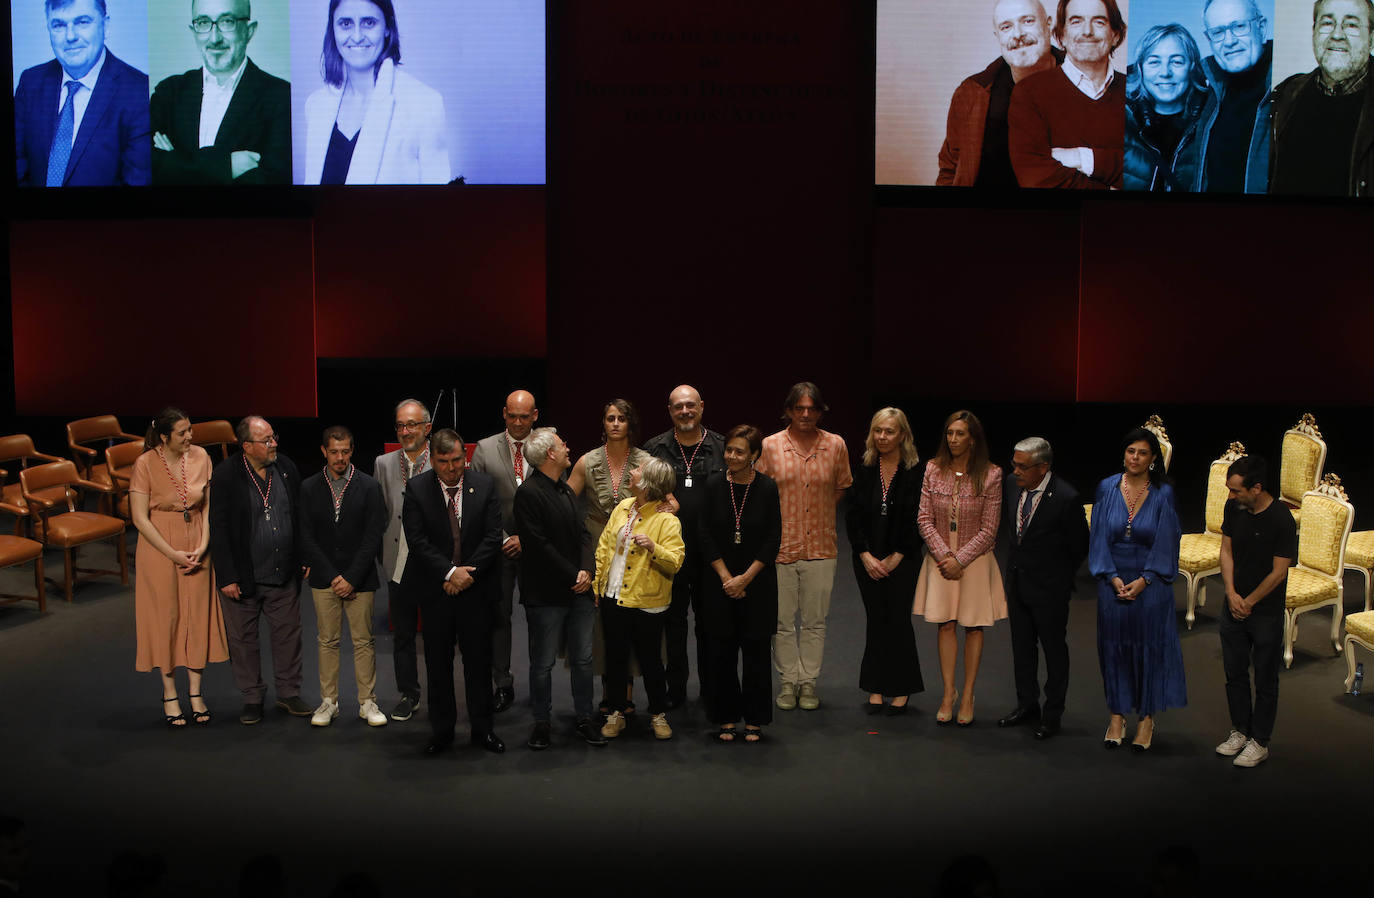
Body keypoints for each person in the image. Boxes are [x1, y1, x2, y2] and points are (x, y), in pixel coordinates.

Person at [401, 428, 506, 756]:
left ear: (466, 456)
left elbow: (493, 537)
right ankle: (442, 731)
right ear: (432, 460)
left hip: (476, 591)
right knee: (438, 665)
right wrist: (449, 573)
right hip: (437, 592)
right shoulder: (417, 489)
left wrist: (465, 574)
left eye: (457, 459)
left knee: (478, 663)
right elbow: (417, 541)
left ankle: (483, 729)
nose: (451, 467)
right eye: (443, 461)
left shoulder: (485, 485)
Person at [756, 382, 853, 712]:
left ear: (821, 411)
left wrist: (819, 510)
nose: (806, 414)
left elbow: (841, 487)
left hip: (821, 546)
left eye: (813, 408)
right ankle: (788, 681)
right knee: (781, 621)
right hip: (780, 547)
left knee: (815, 620)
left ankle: (808, 681)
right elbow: (759, 492)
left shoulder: (836, 445)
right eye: (800, 408)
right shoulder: (770, 446)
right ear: (788, 411)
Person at [1088, 427, 1186, 752]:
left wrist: (1145, 580)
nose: (1135, 458)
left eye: (1142, 453)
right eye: (1131, 451)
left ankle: (1146, 719)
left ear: (1153, 459)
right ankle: (1117, 716)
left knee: (1149, 650)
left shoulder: (1164, 493)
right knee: (1113, 649)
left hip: (1150, 583)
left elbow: (1167, 543)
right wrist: (1112, 576)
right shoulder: (1106, 487)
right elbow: (1098, 536)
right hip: (1112, 580)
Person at [209, 416, 311, 725]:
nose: (274, 444)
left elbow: (300, 516)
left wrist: (303, 556)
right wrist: (227, 576)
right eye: (266, 440)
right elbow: (219, 527)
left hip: (282, 573)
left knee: (288, 637)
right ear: (247, 446)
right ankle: (252, 697)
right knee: (243, 641)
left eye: (273, 437)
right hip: (244, 577)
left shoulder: (286, 468)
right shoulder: (227, 475)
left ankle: (288, 692)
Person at [129, 408, 228, 727]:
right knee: (167, 617)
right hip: (160, 544)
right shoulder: (145, 463)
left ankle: (196, 693)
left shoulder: (201, 456)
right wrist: (172, 553)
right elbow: (139, 518)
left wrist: (203, 545)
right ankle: (170, 693)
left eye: (190, 430)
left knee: (197, 616)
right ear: (164, 436)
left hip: (197, 538)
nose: (190, 436)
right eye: (183, 432)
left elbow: (210, 505)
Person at [914, 410, 1006, 727]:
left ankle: (968, 694)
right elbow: (924, 519)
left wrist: (960, 559)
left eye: (960, 434)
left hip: (976, 561)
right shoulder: (932, 470)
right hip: (941, 561)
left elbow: (990, 529)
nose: (953, 439)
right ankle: (948, 693)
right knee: (945, 624)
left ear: (973, 438)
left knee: (973, 625)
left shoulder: (991, 475)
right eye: (950, 433)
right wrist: (944, 556)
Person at [513, 427, 603, 749]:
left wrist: (587, 570)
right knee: (543, 663)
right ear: (550, 454)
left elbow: (582, 536)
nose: (568, 448)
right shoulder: (528, 493)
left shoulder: (565, 490)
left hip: (577, 590)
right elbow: (537, 546)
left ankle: (584, 718)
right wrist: (574, 574)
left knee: (583, 659)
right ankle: (541, 722)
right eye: (562, 445)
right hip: (546, 595)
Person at [994, 437, 1088, 740]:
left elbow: (1079, 546)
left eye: (1023, 466)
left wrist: (1057, 579)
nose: (1016, 471)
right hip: (1018, 583)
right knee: (1022, 649)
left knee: (1053, 651)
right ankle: (1026, 705)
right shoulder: (1011, 485)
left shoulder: (1065, 497)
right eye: (1014, 464)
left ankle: (1052, 714)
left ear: (1043, 467)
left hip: (1049, 590)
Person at [566, 399, 651, 718]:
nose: (615, 423)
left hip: (634, 546)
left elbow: (670, 501)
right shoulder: (587, 462)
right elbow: (562, 500)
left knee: (628, 616)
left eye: (621, 419)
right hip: (595, 545)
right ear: (603, 423)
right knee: (600, 623)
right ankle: (608, 693)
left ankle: (626, 694)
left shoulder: (645, 460)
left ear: (631, 424)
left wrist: (661, 517)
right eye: (610, 418)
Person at [303, 0, 450, 185]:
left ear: (388, 27)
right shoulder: (316, 105)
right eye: (346, 24)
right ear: (332, 29)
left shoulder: (425, 105)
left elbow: (440, 205)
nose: (357, 36)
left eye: (369, 23)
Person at [643, 384, 726, 709]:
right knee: (673, 624)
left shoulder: (721, 446)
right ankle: (675, 691)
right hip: (669, 552)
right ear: (670, 410)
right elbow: (643, 494)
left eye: (690, 405)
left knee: (710, 624)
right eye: (678, 407)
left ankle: (711, 689)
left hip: (712, 553)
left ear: (702, 407)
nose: (685, 412)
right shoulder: (655, 449)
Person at [299, 426, 387, 728]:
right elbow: (306, 537)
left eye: (345, 451)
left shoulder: (369, 486)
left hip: (360, 579)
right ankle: (329, 702)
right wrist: (333, 575)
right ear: (324, 451)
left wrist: (350, 577)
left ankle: (367, 702)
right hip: (325, 578)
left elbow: (374, 535)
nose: (340, 457)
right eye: (334, 452)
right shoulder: (310, 487)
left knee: (364, 641)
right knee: (327, 641)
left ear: (352, 451)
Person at [149, 0, 291, 185]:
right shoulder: (169, 93)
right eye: (203, 23)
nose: (214, 38)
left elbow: (271, 185)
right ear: (193, 31)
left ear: (249, 31)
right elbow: (151, 167)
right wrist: (225, 166)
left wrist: (176, 164)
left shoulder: (281, 97)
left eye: (227, 21)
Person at [699, 425, 781, 742]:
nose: (731, 456)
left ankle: (756, 719)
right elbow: (704, 535)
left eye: (739, 452)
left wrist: (745, 578)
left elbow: (773, 539)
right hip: (719, 584)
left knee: (756, 653)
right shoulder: (714, 485)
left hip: (757, 584)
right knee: (721, 652)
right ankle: (726, 717)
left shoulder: (768, 488)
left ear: (755, 456)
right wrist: (726, 578)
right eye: (729, 450)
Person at [595, 458, 685, 741]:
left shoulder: (667, 520)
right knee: (616, 659)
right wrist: (599, 584)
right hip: (614, 596)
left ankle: (658, 714)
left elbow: (675, 561)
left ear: (647, 482)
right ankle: (617, 712)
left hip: (647, 602)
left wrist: (654, 547)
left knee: (651, 661)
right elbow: (605, 545)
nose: (632, 471)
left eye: (637, 470)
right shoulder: (623, 507)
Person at [14, 0, 150, 187]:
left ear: (106, 25)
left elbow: (136, 182)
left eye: (82, 22)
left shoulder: (139, 91)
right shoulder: (30, 82)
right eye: (59, 25)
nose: (70, 36)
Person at [1215, 454, 1296, 768]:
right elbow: (1226, 550)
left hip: (1264, 612)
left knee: (1264, 678)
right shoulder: (1233, 509)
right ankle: (1240, 731)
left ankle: (1260, 741)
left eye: (1236, 491)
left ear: (1257, 488)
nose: (1231, 496)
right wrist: (1232, 593)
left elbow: (1279, 572)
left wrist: (1249, 602)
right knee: (1234, 673)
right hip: (1233, 603)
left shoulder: (1281, 520)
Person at [846, 408, 923, 715]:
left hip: (903, 559)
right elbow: (852, 516)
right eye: (878, 430)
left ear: (902, 435)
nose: (882, 437)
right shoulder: (865, 467)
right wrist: (864, 554)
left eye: (889, 431)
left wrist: (896, 557)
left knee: (899, 621)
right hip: (866, 558)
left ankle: (902, 687)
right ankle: (876, 686)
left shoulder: (916, 470)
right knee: (876, 620)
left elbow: (917, 518)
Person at [937, 0, 1061, 187]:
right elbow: (950, 167)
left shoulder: (1087, 84)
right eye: (1006, 27)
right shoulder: (971, 93)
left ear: (1048, 24)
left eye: (1027, 21)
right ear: (997, 36)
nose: (1018, 34)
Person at [470, 389, 539, 714]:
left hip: (538, 546)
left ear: (535, 416)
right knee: (499, 617)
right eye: (512, 416)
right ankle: (503, 684)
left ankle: (541, 683)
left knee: (541, 616)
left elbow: (559, 497)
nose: (518, 422)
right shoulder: (484, 448)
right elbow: (476, 502)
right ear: (504, 413)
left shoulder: (549, 445)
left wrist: (526, 538)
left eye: (524, 417)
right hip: (496, 548)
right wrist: (502, 538)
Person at [1008, 0, 1127, 189]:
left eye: (1099, 22)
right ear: (1061, 36)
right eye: (1076, 21)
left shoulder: (1136, 92)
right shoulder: (1028, 93)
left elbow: (1149, 173)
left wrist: (1082, 158)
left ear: (1115, 35)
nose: (1087, 31)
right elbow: (1036, 178)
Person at [1271, 0, 1374, 196]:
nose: (1337, 35)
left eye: (1351, 25)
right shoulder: (1283, 96)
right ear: (1314, 32)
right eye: (1327, 23)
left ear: (1372, 38)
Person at [373, 398, 431, 721]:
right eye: (401, 425)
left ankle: (442, 692)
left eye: (412, 425)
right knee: (403, 634)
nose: (406, 431)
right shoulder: (384, 463)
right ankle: (409, 693)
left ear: (427, 428)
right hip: (398, 562)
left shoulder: (441, 461)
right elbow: (380, 513)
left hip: (433, 564)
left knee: (438, 634)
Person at [1124, 25, 1213, 191]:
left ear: (1192, 67)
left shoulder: (1211, 122)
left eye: (1177, 62)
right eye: (1154, 62)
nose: (1165, 72)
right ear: (1140, 68)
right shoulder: (1123, 120)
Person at [1197, 0, 1274, 193]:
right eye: (1218, 32)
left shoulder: (1288, 87)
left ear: (1262, 28)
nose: (1229, 41)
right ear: (1209, 40)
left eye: (1239, 26)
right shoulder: (1206, 95)